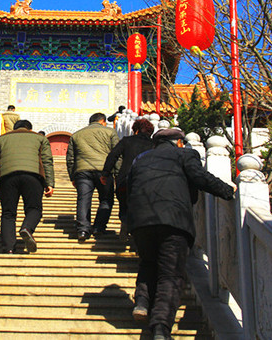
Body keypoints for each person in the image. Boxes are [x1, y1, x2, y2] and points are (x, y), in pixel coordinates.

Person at [127, 128, 235, 339]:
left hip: (140, 221)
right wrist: (227, 190)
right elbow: (199, 176)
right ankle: (160, 327)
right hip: (174, 220)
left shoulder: (141, 158)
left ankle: (141, 302)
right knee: (171, 275)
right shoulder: (185, 154)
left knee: (148, 262)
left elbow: (130, 186)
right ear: (178, 142)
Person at [0, 120, 54, 254]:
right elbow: (47, 161)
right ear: (29, 129)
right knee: (34, 208)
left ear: (14, 129)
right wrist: (49, 183)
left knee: (8, 213)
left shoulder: (0, 139)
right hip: (32, 176)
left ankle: (9, 247)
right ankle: (27, 228)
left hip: (6, 177)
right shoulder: (40, 138)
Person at [66, 112, 119, 241]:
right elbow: (117, 155)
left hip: (82, 171)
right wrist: (117, 174)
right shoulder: (110, 132)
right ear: (103, 122)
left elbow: (70, 158)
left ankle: (83, 230)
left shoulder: (76, 135)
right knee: (106, 199)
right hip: (104, 171)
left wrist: (72, 176)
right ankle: (99, 228)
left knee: (83, 199)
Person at [100, 118, 155, 239]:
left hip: (125, 179)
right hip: (146, 182)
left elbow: (113, 155)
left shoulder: (127, 141)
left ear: (135, 131)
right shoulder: (154, 145)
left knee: (124, 203)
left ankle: (124, 222)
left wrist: (105, 173)